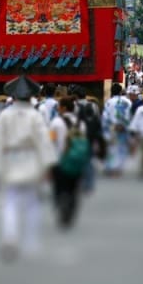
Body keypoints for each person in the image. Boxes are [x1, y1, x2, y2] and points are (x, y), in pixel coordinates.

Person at [0, 75, 56, 261]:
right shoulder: (35, 116)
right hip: (31, 159)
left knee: (10, 202)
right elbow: (43, 141)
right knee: (32, 204)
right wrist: (48, 165)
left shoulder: (5, 115)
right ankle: (30, 243)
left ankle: (10, 238)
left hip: (10, 159)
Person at [50, 96, 89, 228]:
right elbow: (83, 141)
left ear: (64, 108)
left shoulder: (56, 122)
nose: (57, 108)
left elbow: (52, 140)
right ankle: (71, 208)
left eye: (59, 106)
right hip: (75, 160)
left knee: (60, 187)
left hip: (59, 160)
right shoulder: (81, 123)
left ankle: (61, 205)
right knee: (73, 188)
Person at [102, 83, 133, 177]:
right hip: (123, 128)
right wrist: (126, 126)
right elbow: (130, 115)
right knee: (121, 149)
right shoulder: (127, 102)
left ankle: (110, 168)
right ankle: (118, 169)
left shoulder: (109, 102)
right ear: (121, 92)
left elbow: (105, 116)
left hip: (112, 127)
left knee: (111, 148)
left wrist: (105, 129)